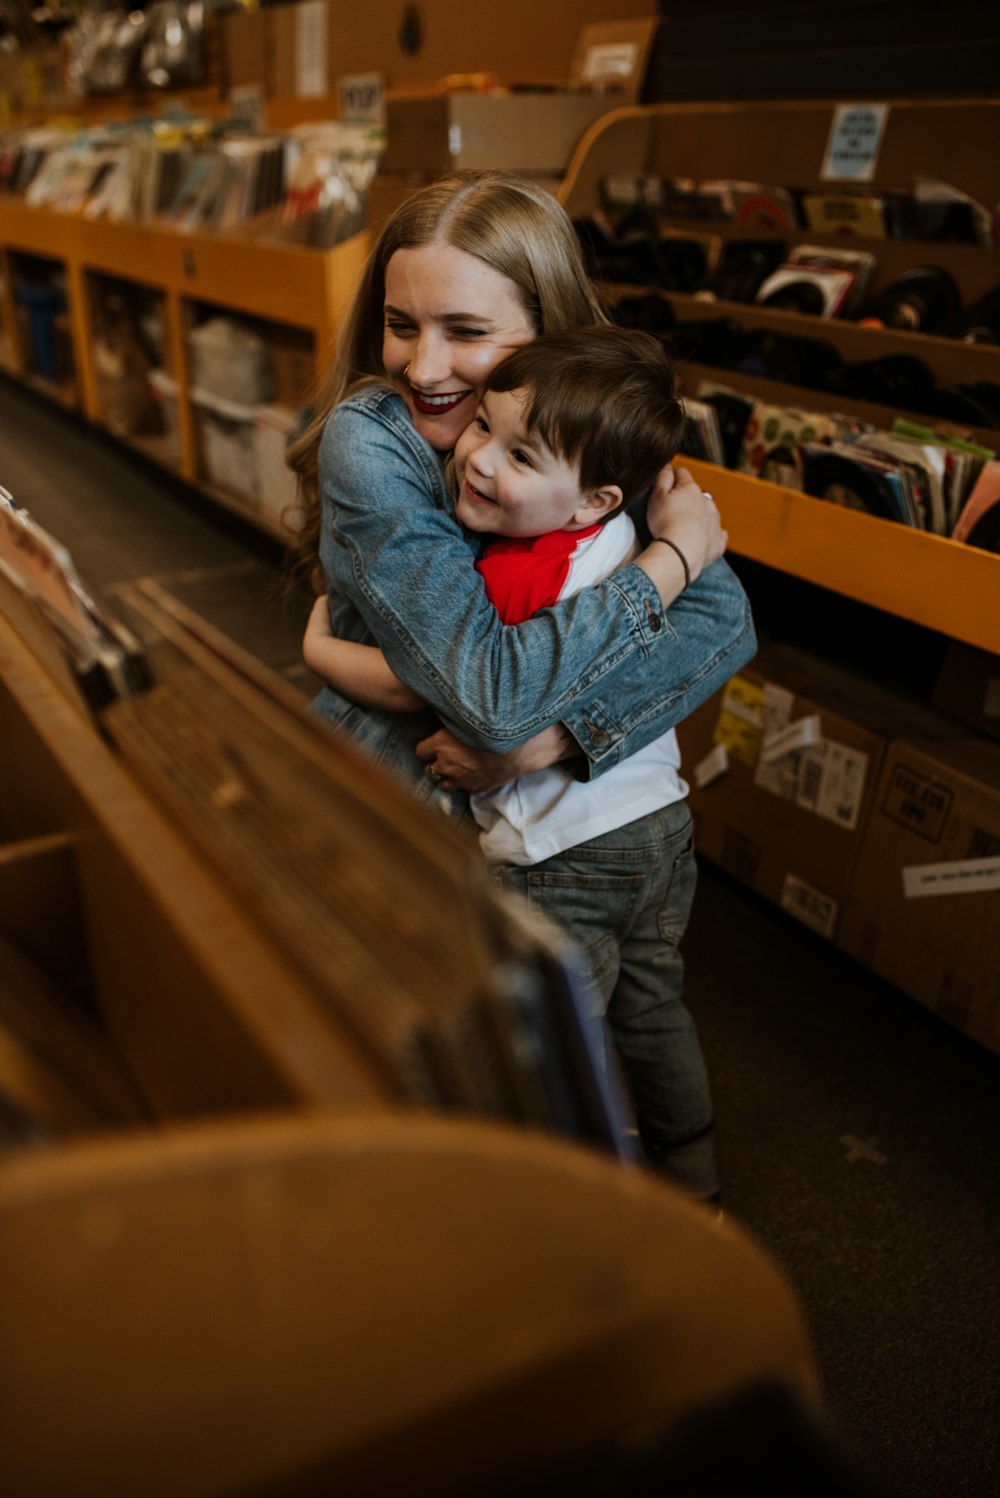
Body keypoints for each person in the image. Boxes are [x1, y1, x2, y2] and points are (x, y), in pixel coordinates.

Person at [303, 326, 720, 1199]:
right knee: (654, 1008)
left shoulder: (518, 578)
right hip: (659, 826)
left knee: (554, 1039)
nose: (479, 461)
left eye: (520, 455)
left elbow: (451, 687)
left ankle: (567, 1207)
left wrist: (324, 654)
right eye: (486, 430)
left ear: (588, 501)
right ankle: (695, 1174)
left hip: (559, 854)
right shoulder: (629, 539)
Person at [288, 171, 755, 813]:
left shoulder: (583, 429)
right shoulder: (373, 437)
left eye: (468, 331)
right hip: (386, 802)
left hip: (528, 843)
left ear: (548, 331)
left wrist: (554, 741)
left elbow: (723, 620)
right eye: (402, 325)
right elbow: (488, 698)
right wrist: (671, 559)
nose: (423, 368)